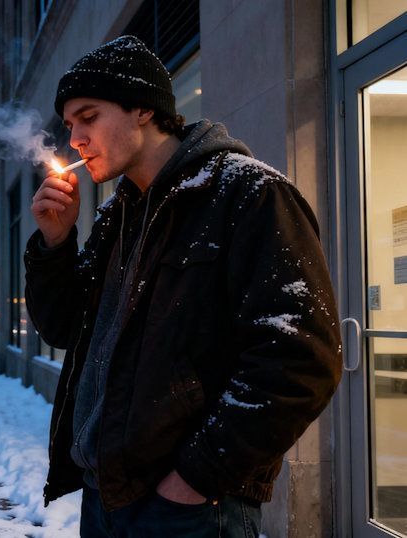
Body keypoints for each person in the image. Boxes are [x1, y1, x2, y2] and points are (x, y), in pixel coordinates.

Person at [25, 35, 342, 537]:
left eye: (89, 117)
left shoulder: (248, 194)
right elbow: (64, 328)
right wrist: (55, 244)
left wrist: (196, 477)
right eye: (69, 126)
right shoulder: (116, 216)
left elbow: (301, 357)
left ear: (143, 109)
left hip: (191, 509)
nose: (76, 139)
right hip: (105, 498)